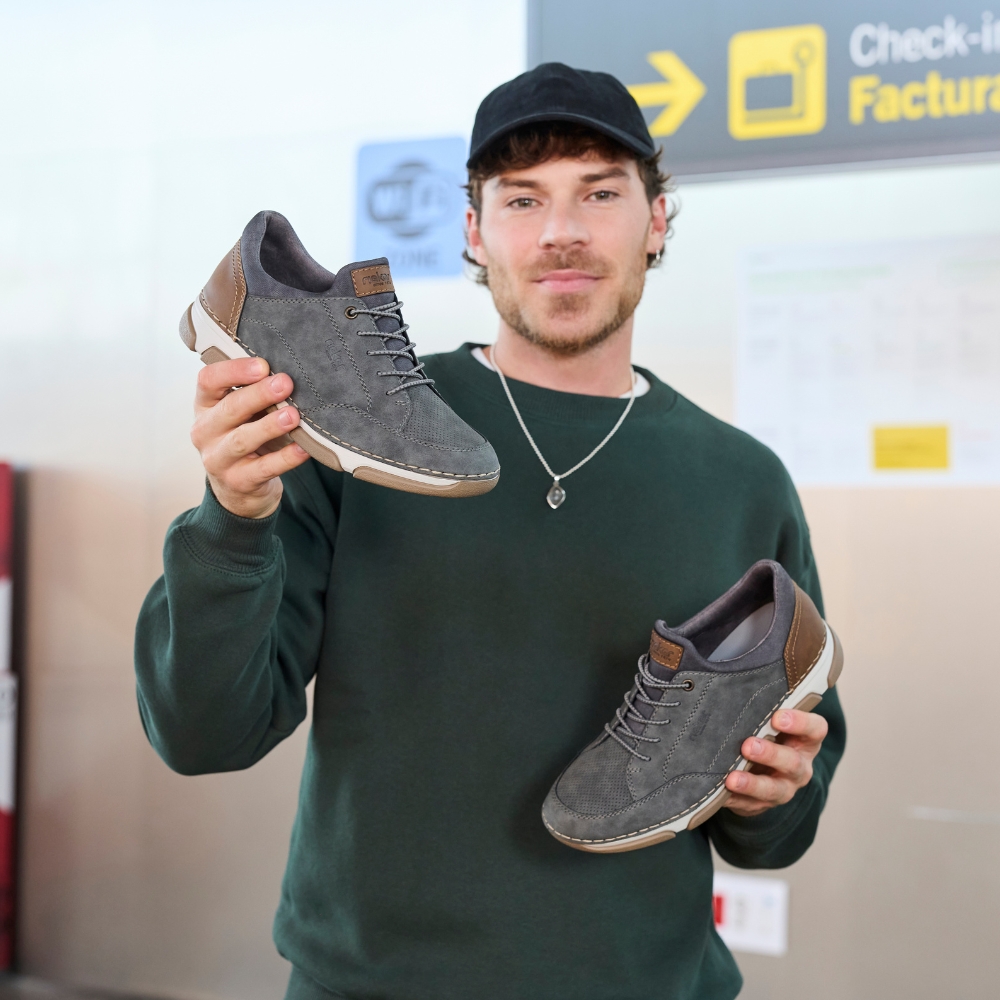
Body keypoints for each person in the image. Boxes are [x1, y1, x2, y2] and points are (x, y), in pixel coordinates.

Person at [135, 63, 845, 1000]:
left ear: (657, 220)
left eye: (600, 192)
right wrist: (232, 518)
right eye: (522, 199)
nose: (561, 231)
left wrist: (770, 793)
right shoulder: (358, 436)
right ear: (474, 231)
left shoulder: (743, 482)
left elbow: (778, 829)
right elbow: (202, 734)